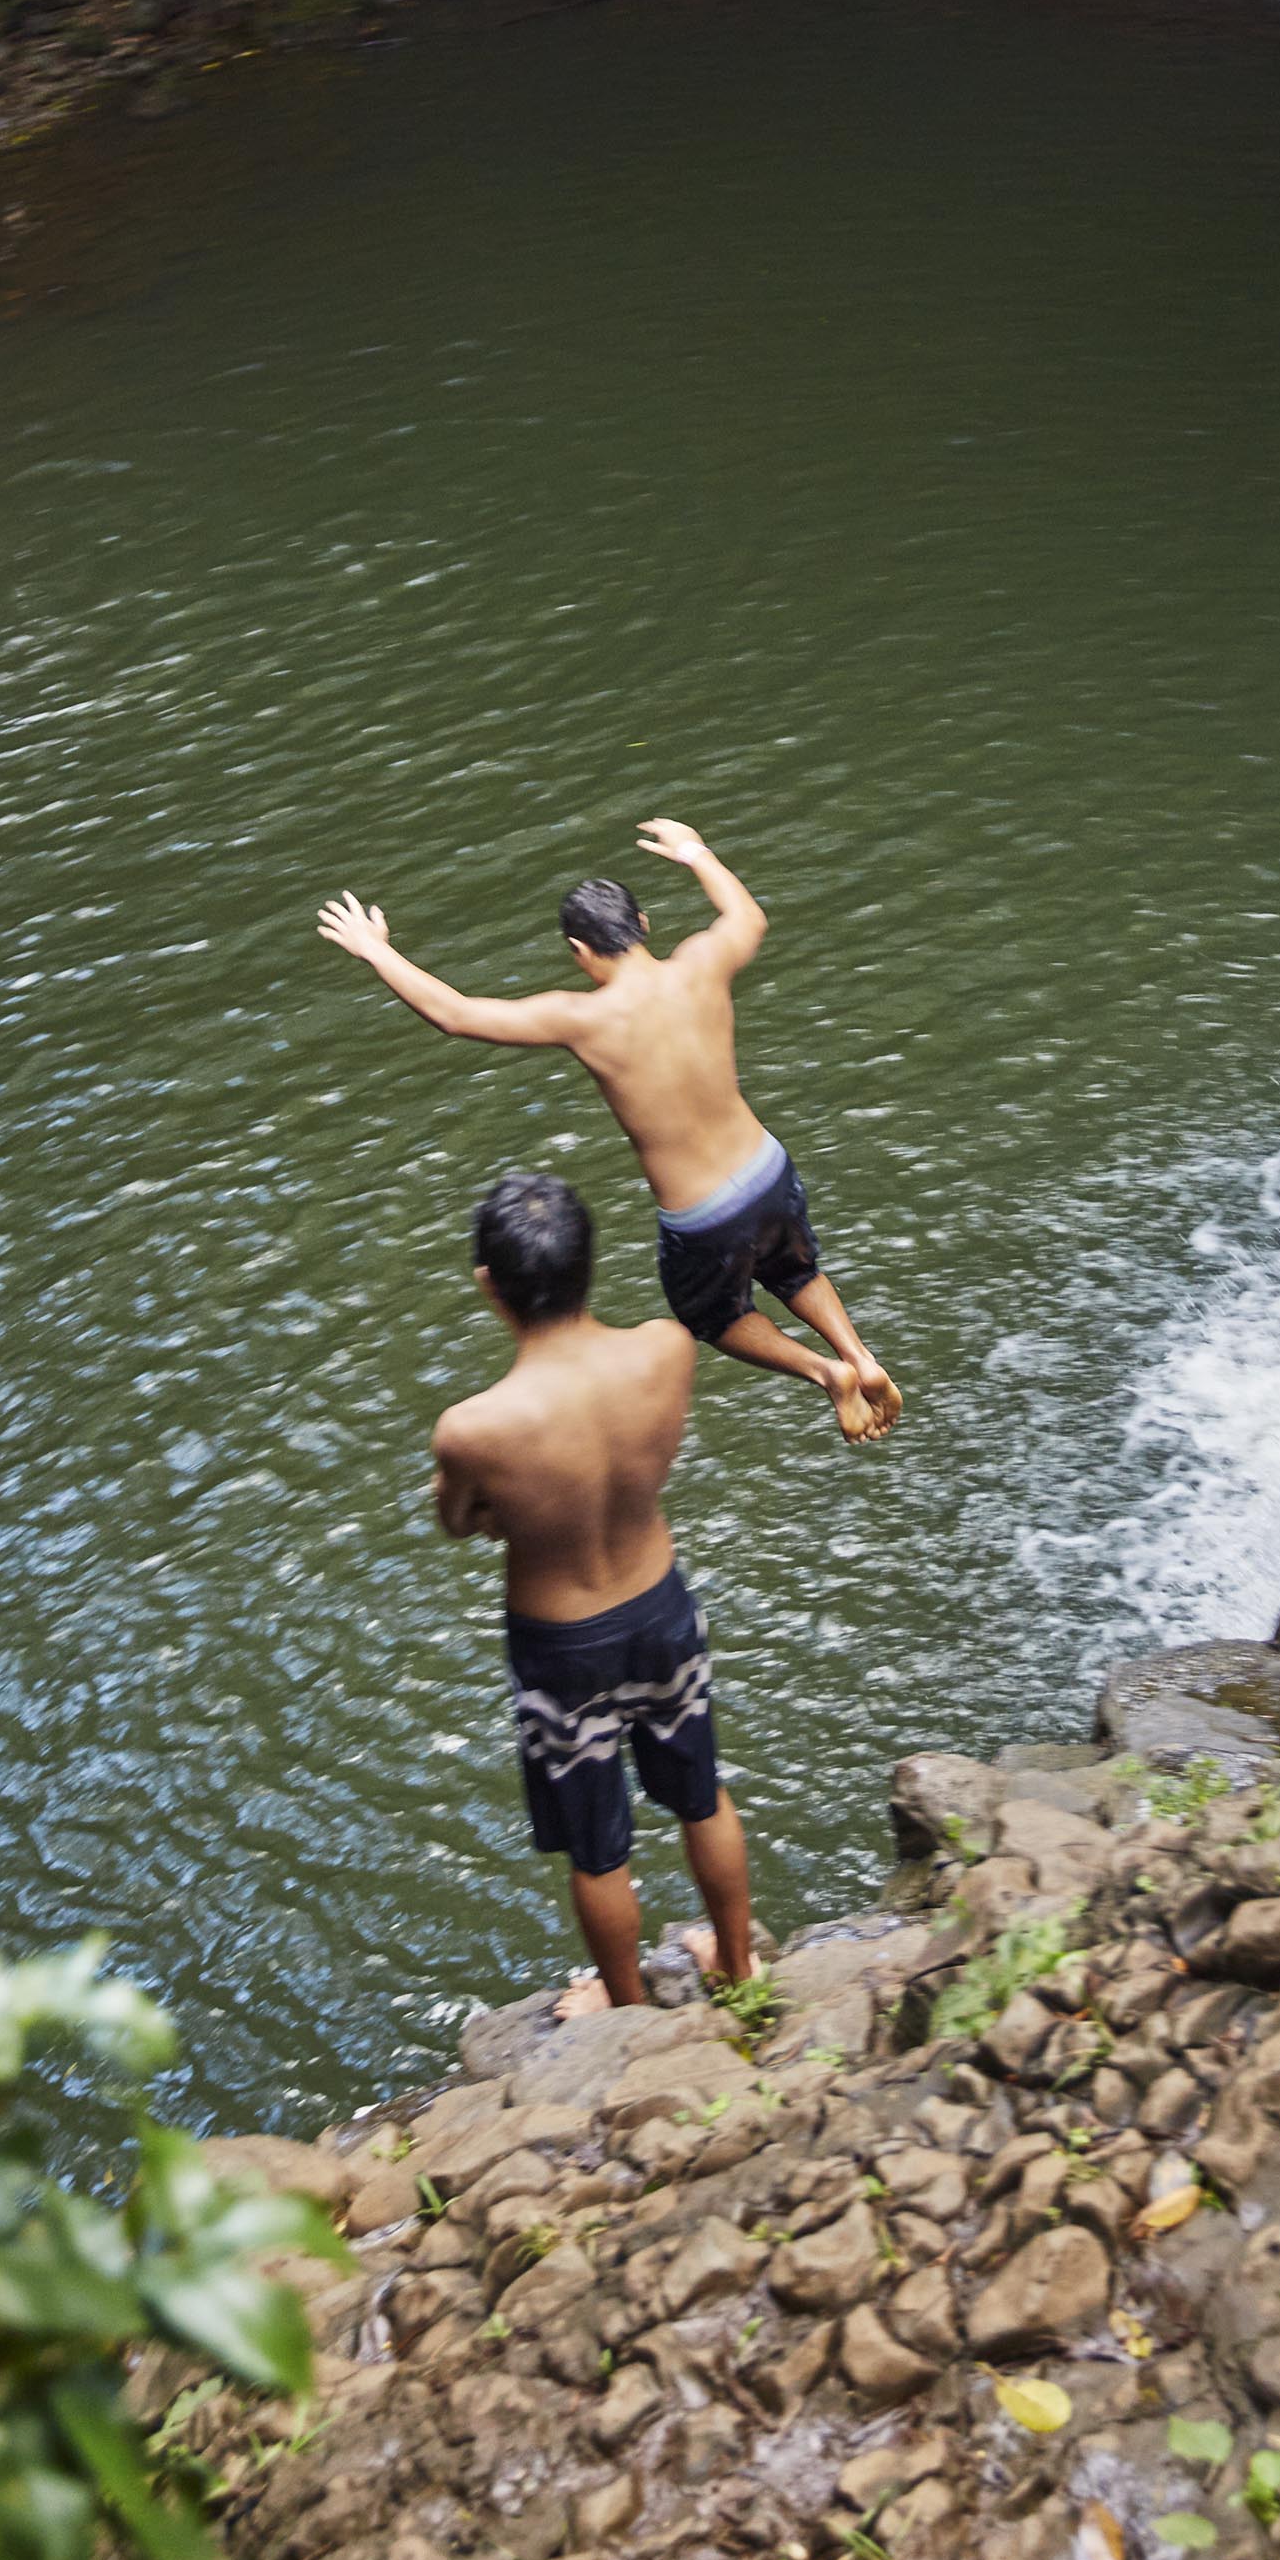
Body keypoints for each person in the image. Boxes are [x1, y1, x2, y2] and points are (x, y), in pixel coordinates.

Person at [318, 816, 900, 1441]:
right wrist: (694, 852)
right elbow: (748, 918)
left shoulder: (583, 1018)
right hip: (767, 1167)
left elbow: (455, 1014)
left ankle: (827, 1374)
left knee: (714, 1315)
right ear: (644, 925)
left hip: (705, 1215)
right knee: (795, 1271)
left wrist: (376, 948)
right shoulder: (701, 961)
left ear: (579, 951)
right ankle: (860, 1354)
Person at [435, 1168, 752, 2015]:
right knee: (700, 1793)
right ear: (586, 1266)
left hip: (560, 1642)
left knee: (596, 1847)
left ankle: (625, 2012)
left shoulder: (475, 1427)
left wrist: (507, 1507)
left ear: (488, 1287)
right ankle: (738, 1964)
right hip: (659, 1605)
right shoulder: (666, 1348)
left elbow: (459, 1521)